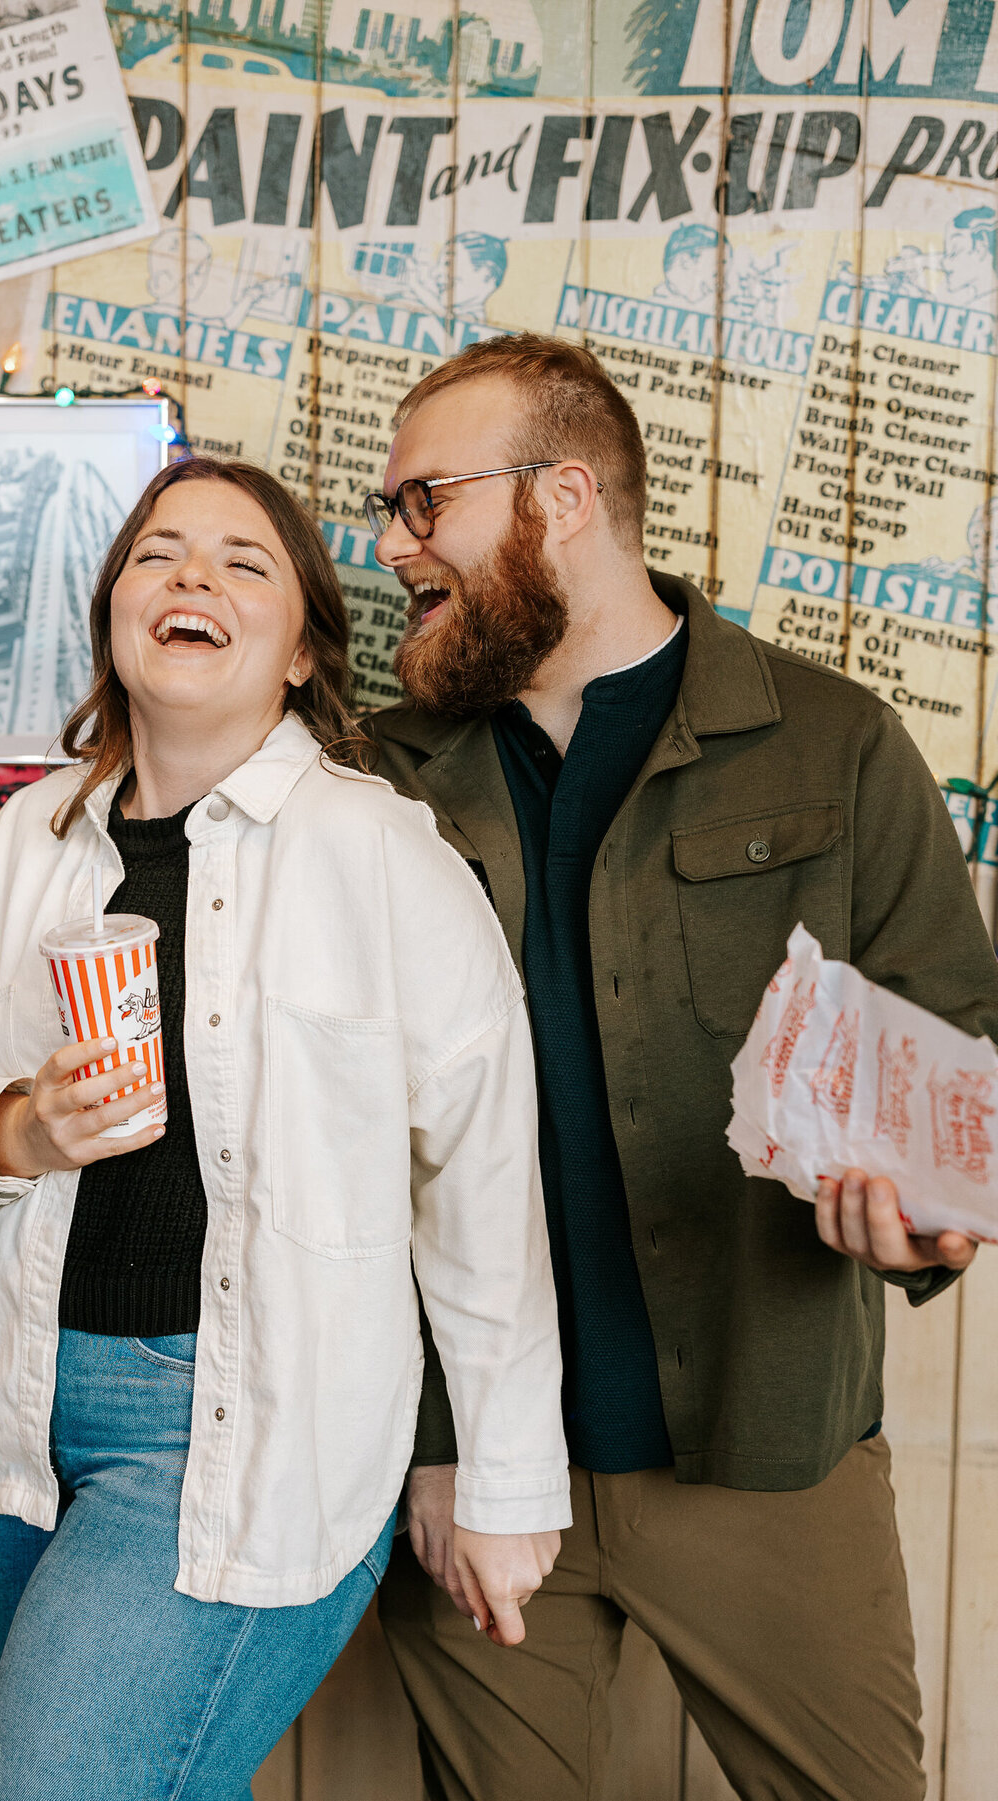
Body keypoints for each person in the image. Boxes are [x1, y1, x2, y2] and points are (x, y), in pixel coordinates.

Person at [0, 456, 570, 1801]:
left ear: (304, 647)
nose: (192, 576)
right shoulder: (30, 838)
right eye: (159, 554)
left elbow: (484, 1186)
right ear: (114, 616)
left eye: (244, 561)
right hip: (22, 1426)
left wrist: (504, 1481)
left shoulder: (382, 853)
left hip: (247, 1428)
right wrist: (20, 1124)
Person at [360, 332, 998, 1801]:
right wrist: (435, 1449)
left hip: (770, 1449)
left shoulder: (832, 740)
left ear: (562, 497)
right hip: (467, 1457)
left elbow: (959, 1061)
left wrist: (924, 1214)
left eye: (422, 503)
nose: (393, 544)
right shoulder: (375, 772)